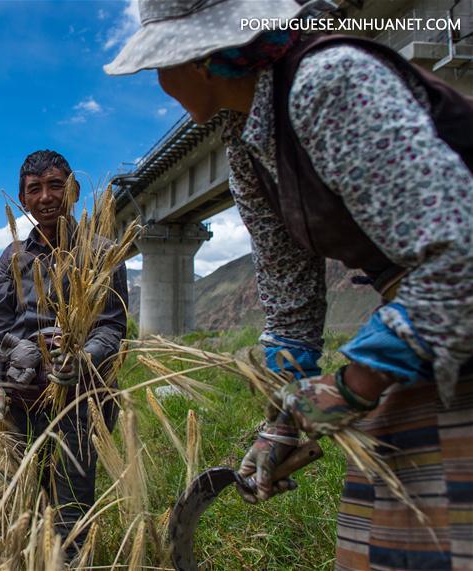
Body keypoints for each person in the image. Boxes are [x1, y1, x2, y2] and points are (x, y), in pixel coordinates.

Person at [105, 1, 473, 569]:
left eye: (163, 63)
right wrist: (282, 424)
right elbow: (291, 304)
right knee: (385, 539)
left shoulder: (327, 84)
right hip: (431, 315)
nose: (160, 83)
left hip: (451, 307)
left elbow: (458, 255)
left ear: (201, 60)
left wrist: (352, 385)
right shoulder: (246, 146)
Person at [0, 149, 128, 560]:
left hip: (79, 402)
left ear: (74, 190)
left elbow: (112, 325)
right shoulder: (12, 258)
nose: (46, 197)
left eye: (56, 185)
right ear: (23, 201)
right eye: (34, 189)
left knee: (71, 513)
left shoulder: (101, 252)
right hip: (21, 399)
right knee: (22, 504)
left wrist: (84, 357)